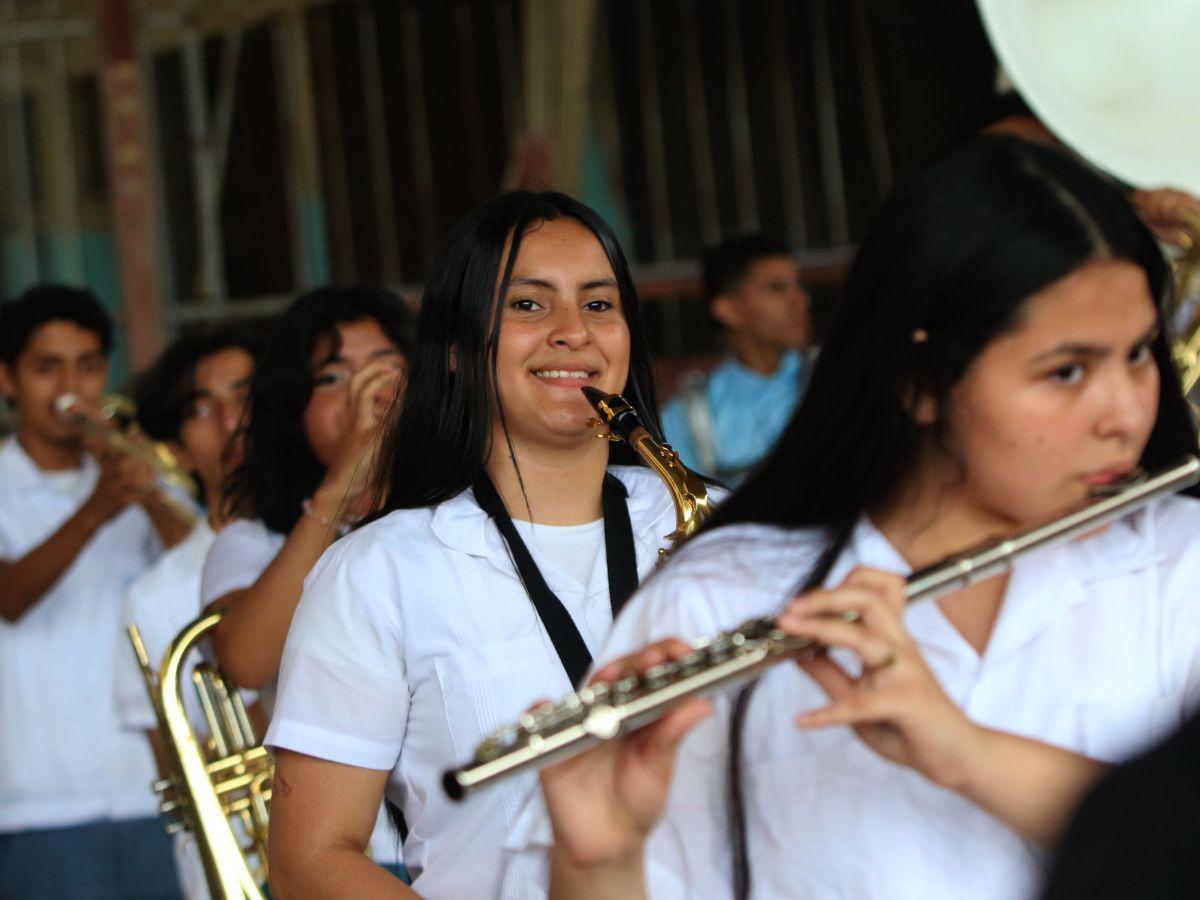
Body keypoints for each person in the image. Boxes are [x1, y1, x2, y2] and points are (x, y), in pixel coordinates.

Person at [520, 137, 1200, 900]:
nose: (1126, 413)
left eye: (1140, 354)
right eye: (1067, 370)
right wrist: (597, 864)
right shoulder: (721, 597)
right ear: (921, 380)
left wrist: (967, 754)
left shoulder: (1183, 563)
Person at [263, 191, 689, 898]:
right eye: (528, 304)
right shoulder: (377, 572)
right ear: (457, 349)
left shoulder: (722, 532)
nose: (572, 332)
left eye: (599, 304)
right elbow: (307, 861)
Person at [199, 285, 415, 877]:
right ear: (289, 408)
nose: (366, 394)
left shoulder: (463, 513)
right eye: (331, 378)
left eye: (387, 367)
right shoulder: (252, 542)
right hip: (344, 858)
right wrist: (350, 470)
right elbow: (244, 661)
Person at [0, 285, 187, 897]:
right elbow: (11, 596)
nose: (70, 387)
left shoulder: (131, 473)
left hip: (146, 791)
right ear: (8, 379)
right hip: (37, 800)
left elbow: (207, 567)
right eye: (47, 367)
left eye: (86, 365)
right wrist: (97, 510)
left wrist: (150, 493)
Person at [114, 325, 260, 900]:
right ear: (173, 449)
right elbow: (182, 774)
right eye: (202, 408)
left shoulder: (352, 543)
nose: (232, 421)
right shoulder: (155, 595)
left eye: (246, 395)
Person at [659, 234, 812, 484]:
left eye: (798, 285)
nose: (800, 301)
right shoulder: (690, 415)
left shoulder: (835, 383)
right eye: (777, 288)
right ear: (729, 311)